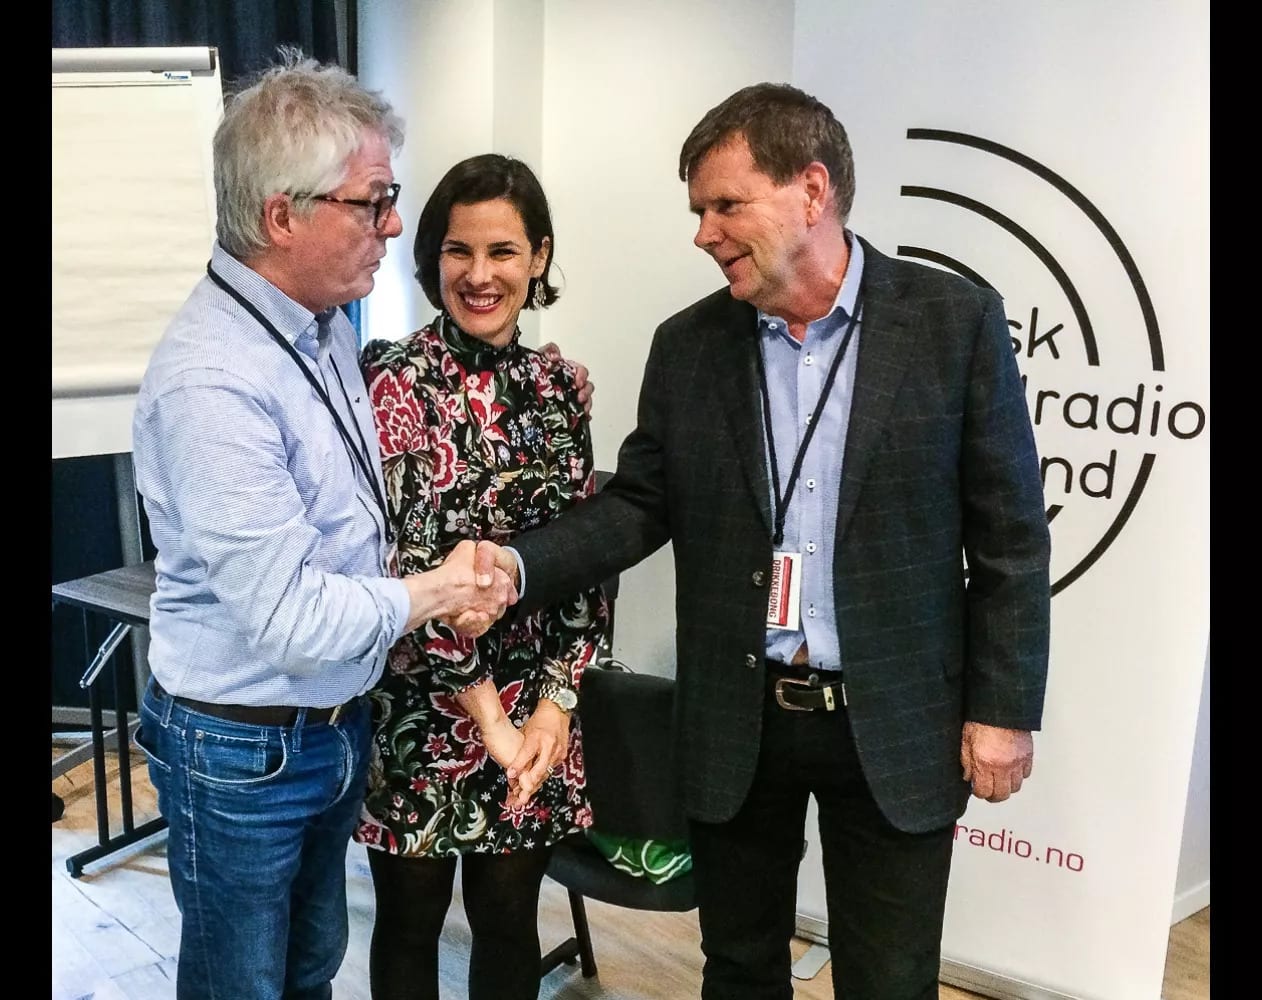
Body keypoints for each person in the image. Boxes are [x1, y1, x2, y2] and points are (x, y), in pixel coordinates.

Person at [501, 82, 1052, 1000]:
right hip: (740, 715)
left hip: (895, 717)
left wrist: (1003, 711)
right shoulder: (689, 345)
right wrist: (516, 566)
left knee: (890, 980)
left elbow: (1011, 540)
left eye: (725, 205)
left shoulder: (952, 324)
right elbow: (636, 506)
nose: (704, 234)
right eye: (698, 211)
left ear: (811, 190)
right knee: (739, 970)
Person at [130, 51, 525, 1000]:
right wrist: (443, 589)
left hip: (327, 729)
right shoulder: (212, 381)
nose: (392, 225)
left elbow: (351, 526)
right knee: (241, 986)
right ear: (282, 216)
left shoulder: (318, 325)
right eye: (371, 202)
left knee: (308, 972)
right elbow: (295, 620)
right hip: (241, 751)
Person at [352, 153, 608, 1000]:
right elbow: (409, 562)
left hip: (534, 707)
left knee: (508, 917)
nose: (479, 274)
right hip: (424, 702)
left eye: (502, 251)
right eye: (458, 251)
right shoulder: (395, 378)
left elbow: (585, 551)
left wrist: (556, 702)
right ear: (432, 259)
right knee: (411, 920)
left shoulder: (559, 388)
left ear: (539, 258)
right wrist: (490, 720)